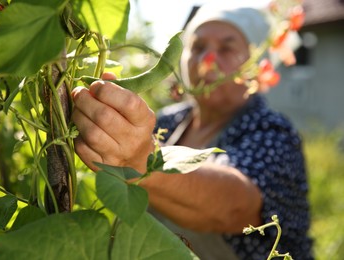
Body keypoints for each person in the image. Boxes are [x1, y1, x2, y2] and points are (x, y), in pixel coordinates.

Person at [71, 4, 313, 260]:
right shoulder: (169, 121)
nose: (206, 60)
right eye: (197, 47)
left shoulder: (272, 131)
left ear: (256, 64)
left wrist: (143, 160)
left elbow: (234, 207)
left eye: (226, 48)